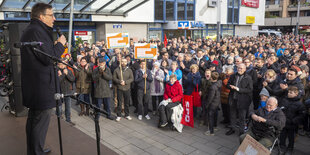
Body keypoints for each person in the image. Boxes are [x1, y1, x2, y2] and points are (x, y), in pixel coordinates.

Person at [20, 3, 66, 154]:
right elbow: (48, 58)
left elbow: (43, 54)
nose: (54, 18)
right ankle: (36, 152)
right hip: (41, 87)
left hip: (37, 85)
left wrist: (52, 46)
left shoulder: (34, 30)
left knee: (34, 120)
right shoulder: (37, 31)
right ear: (41, 16)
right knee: (39, 122)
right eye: (51, 15)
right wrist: (60, 45)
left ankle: (35, 150)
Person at [226, 63, 253, 135]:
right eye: (238, 68)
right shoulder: (233, 76)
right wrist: (230, 86)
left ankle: (241, 131)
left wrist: (238, 89)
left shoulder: (248, 78)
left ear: (244, 69)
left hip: (242, 100)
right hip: (233, 98)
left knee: (242, 117)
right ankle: (232, 128)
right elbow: (227, 84)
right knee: (232, 115)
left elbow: (250, 89)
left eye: (241, 68)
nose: (239, 69)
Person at [279, 86, 306, 154]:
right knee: (282, 136)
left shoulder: (299, 104)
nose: (289, 93)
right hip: (284, 123)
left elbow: (301, 115)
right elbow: (280, 109)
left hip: (292, 125)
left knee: (291, 138)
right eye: (288, 92)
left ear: (296, 94)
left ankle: (290, 149)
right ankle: (282, 147)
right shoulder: (284, 100)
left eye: (291, 92)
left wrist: (294, 121)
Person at [57, 60, 75, 125]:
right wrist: (61, 75)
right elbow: (57, 81)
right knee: (59, 107)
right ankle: (59, 119)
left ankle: (68, 119)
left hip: (68, 91)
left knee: (68, 107)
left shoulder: (69, 71)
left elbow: (72, 79)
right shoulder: (57, 71)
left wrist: (67, 74)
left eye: (63, 64)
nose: (62, 66)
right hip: (60, 91)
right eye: (60, 64)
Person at [204, 72, 222, 136]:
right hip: (217, 102)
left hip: (212, 104)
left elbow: (210, 98)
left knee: (210, 117)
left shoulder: (212, 87)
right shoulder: (219, 83)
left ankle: (211, 131)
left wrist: (207, 105)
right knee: (215, 115)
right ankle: (215, 126)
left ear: (211, 78)